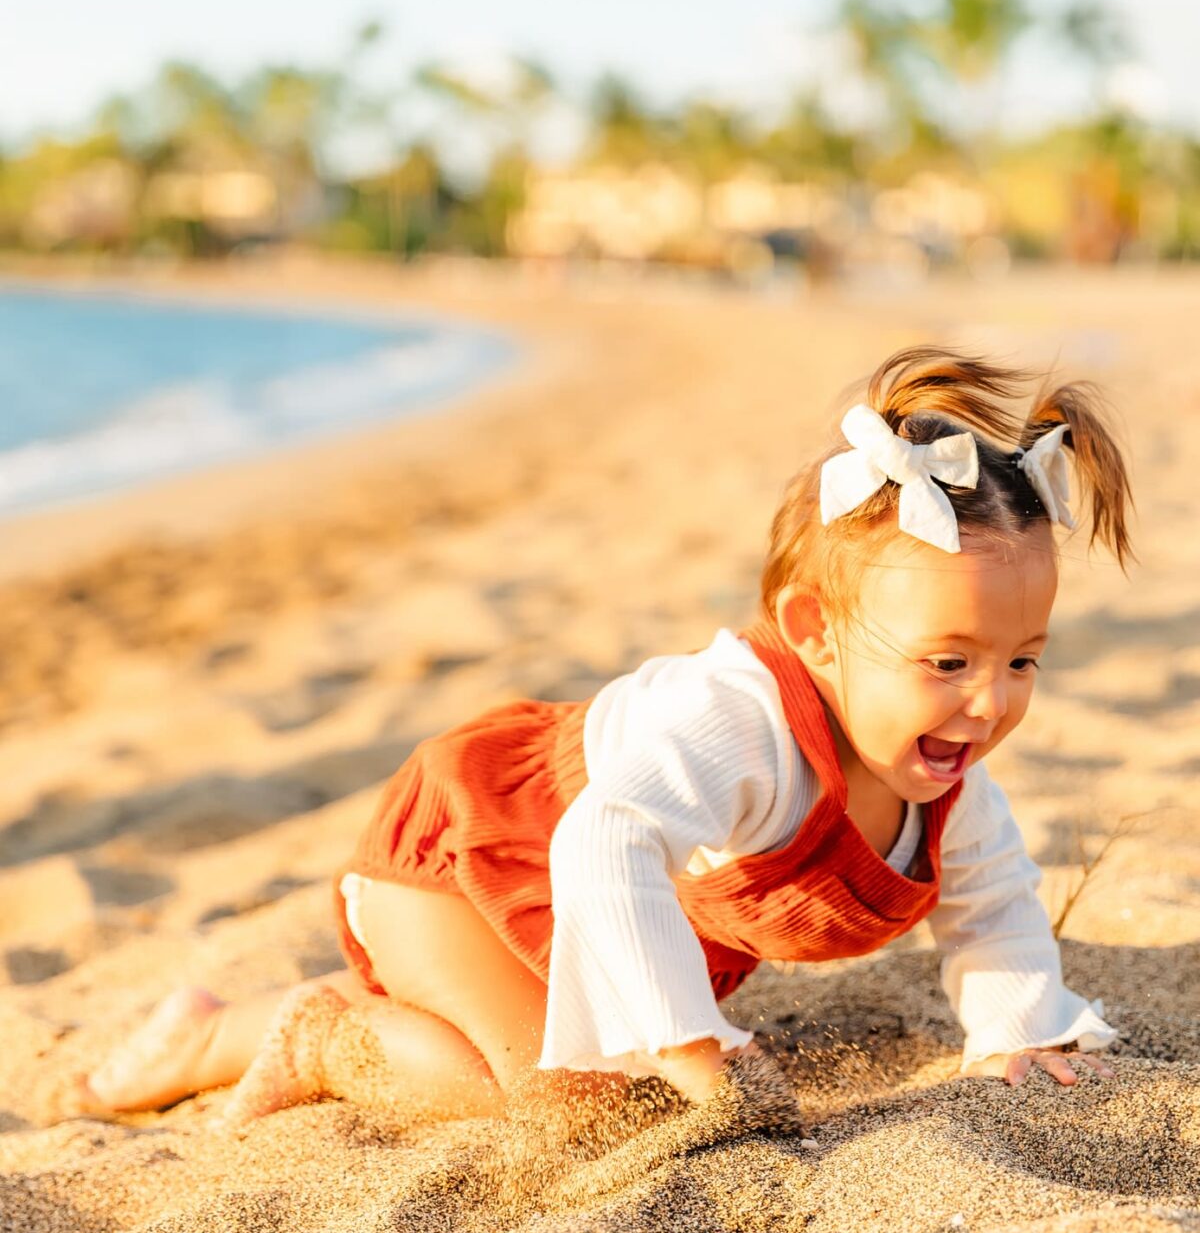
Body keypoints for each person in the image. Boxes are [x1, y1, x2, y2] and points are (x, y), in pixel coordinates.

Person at [82, 347, 1129, 1126]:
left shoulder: (946, 782)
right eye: (948, 663)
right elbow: (602, 844)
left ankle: (263, 1023)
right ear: (814, 628)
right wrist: (685, 1040)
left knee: (590, 1075)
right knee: (567, 1105)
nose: (987, 704)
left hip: (590, 918)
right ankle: (289, 1028)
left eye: (1021, 660)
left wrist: (1017, 1029)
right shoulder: (735, 727)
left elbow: (991, 906)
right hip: (471, 864)